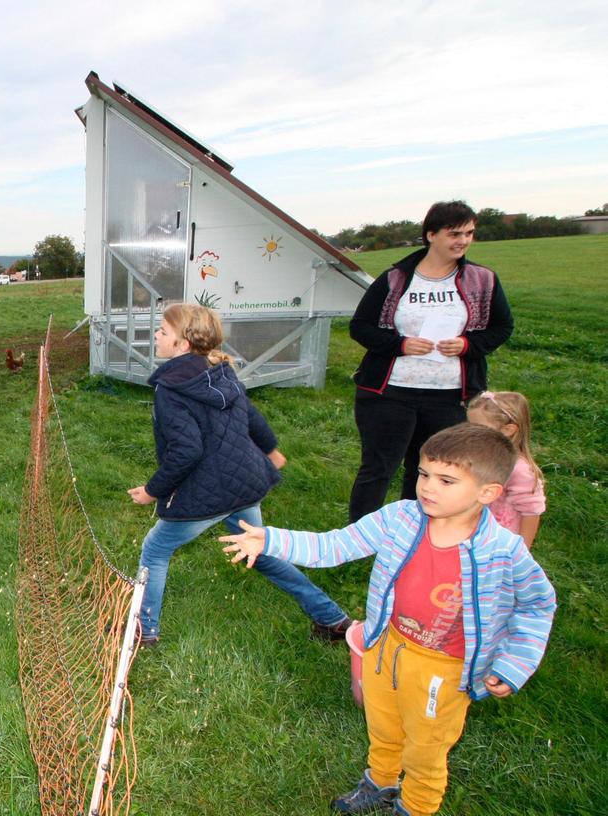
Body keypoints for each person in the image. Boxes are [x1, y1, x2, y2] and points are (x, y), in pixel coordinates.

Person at [221, 423, 555, 816]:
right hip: (386, 647)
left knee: (426, 747)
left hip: (444, 668)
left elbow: (537, 606)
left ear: (488, 493)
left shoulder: (504, 551)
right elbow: (337, 544)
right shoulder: (401, 518)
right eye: (424, 474)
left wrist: (515, 663)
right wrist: (271, 540)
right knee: (383, 725)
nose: (428, 487)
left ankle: (414, 806)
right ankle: (380, 781)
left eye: (446, 480)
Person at [128, 303, 352, 646]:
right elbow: (250, 414)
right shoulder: (219, 369)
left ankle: (144, 630)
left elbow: (187, 452)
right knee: (259, 550)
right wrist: (271, 450)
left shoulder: (171, 389)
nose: (156, 335)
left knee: (155, 549)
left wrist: (152, 490)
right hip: (243, 482)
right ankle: (332, 619)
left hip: (210, 490)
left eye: (163, 331)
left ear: (183, 345)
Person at [347, 201, 514, 522]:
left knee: (431, 470)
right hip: (390, 392)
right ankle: (358, 537)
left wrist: (468, 345)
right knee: (378, 468)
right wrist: (401, 345)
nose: (462, 241)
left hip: (451, 396)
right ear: (431, 235)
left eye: (469, 233)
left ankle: (416, 534)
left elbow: (503, 328)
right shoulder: (395, 279)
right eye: (454, 233)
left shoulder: (483, 280)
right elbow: (361, 327)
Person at [466, 390, 546, 548]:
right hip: (473, 535)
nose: (471, 432)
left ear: (508, 430)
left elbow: (531, 512)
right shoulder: (478, 455)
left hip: (499, 543)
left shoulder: (519, 469)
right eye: (470, 425)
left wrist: (522, 551)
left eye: (479, 427)